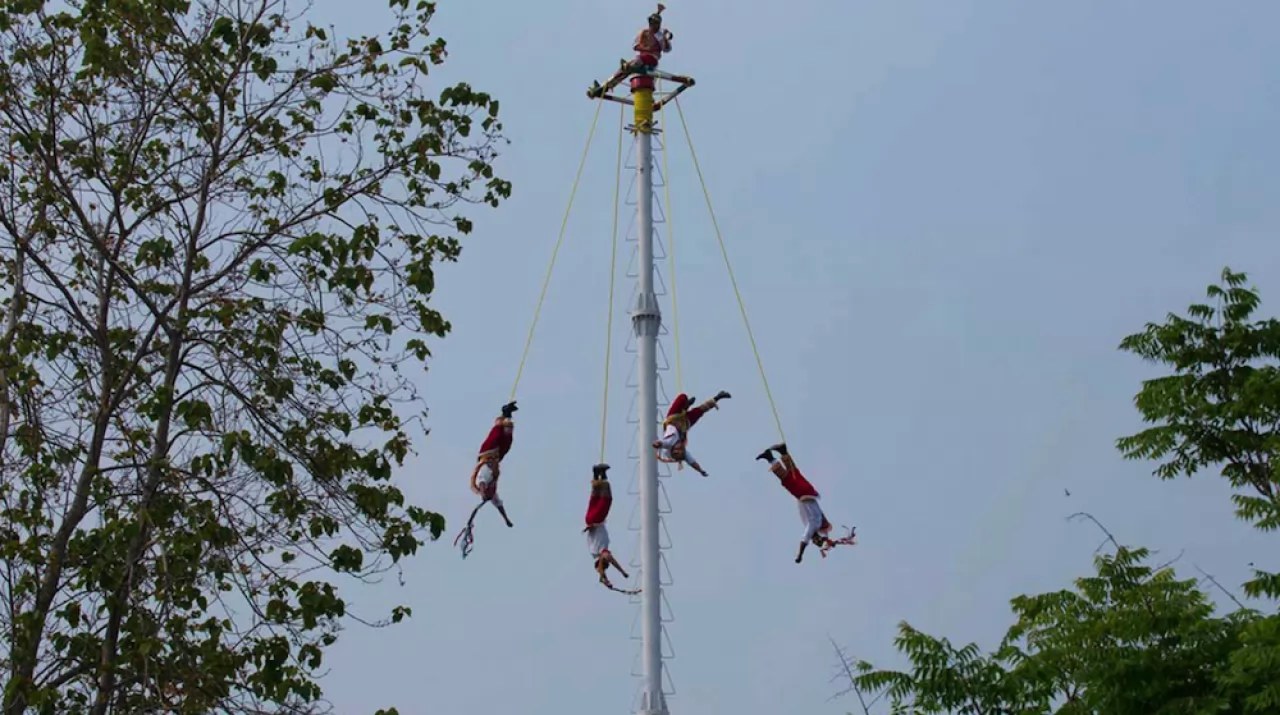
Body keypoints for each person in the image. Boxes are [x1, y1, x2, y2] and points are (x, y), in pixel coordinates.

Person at [756, 442, 856, 563]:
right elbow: (804, 541)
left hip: (808, 492)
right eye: (814, 539)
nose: (812, 539)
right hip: (804, 494)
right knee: (787, 479)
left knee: (794, 475)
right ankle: (772, 457)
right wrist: (800, 555)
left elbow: (825, 534)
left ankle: (780, 453)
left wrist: (828, 541)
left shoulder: (819, 524)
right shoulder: (813, 526)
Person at [588, 4, 674, 98]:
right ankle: (605, 87)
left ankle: (629, 68)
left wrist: (665, 38)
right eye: (652, 23)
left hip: (651, 60)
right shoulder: (644, 33)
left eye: (656, 23)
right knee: (624, 69)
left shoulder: (660, 36)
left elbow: (667, 49)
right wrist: (647, 48)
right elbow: (635, 46)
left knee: (634, 63)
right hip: (642, 58)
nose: (653, 25)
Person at [652, 390, 730, 476]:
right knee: (700, 411)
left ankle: (686, 405)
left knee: (682, 397)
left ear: (672, 449)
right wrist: (701, 471)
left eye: (676, 449)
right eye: (681, 449)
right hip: (685, 424)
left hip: (673, 417)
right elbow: (692, 462)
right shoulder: (685, 453)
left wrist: (656, 444)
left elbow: (660, 443)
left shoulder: (669, 443)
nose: (679, 447)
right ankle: (718, 396)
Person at [584, 463, 633, 591]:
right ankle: (599, 473)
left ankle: (599, 473)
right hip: (593, 519)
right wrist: (606, 579)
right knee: (597, 497)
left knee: (605, 499)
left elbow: (606, 561)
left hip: (595, 520)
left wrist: (622, 572)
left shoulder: (598, 551)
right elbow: (606, 562)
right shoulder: (598, 550)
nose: (609, 557)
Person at [469, 400, 518, 528]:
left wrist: (484, 494)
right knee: (507, 441)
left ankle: (503, 413)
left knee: (496, 434)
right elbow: (499, 506)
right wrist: (507, 520)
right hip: (497, 456)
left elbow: (482, 485)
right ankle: (508, 415)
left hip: (487, 452)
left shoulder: (482, 478)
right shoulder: (493, 493)